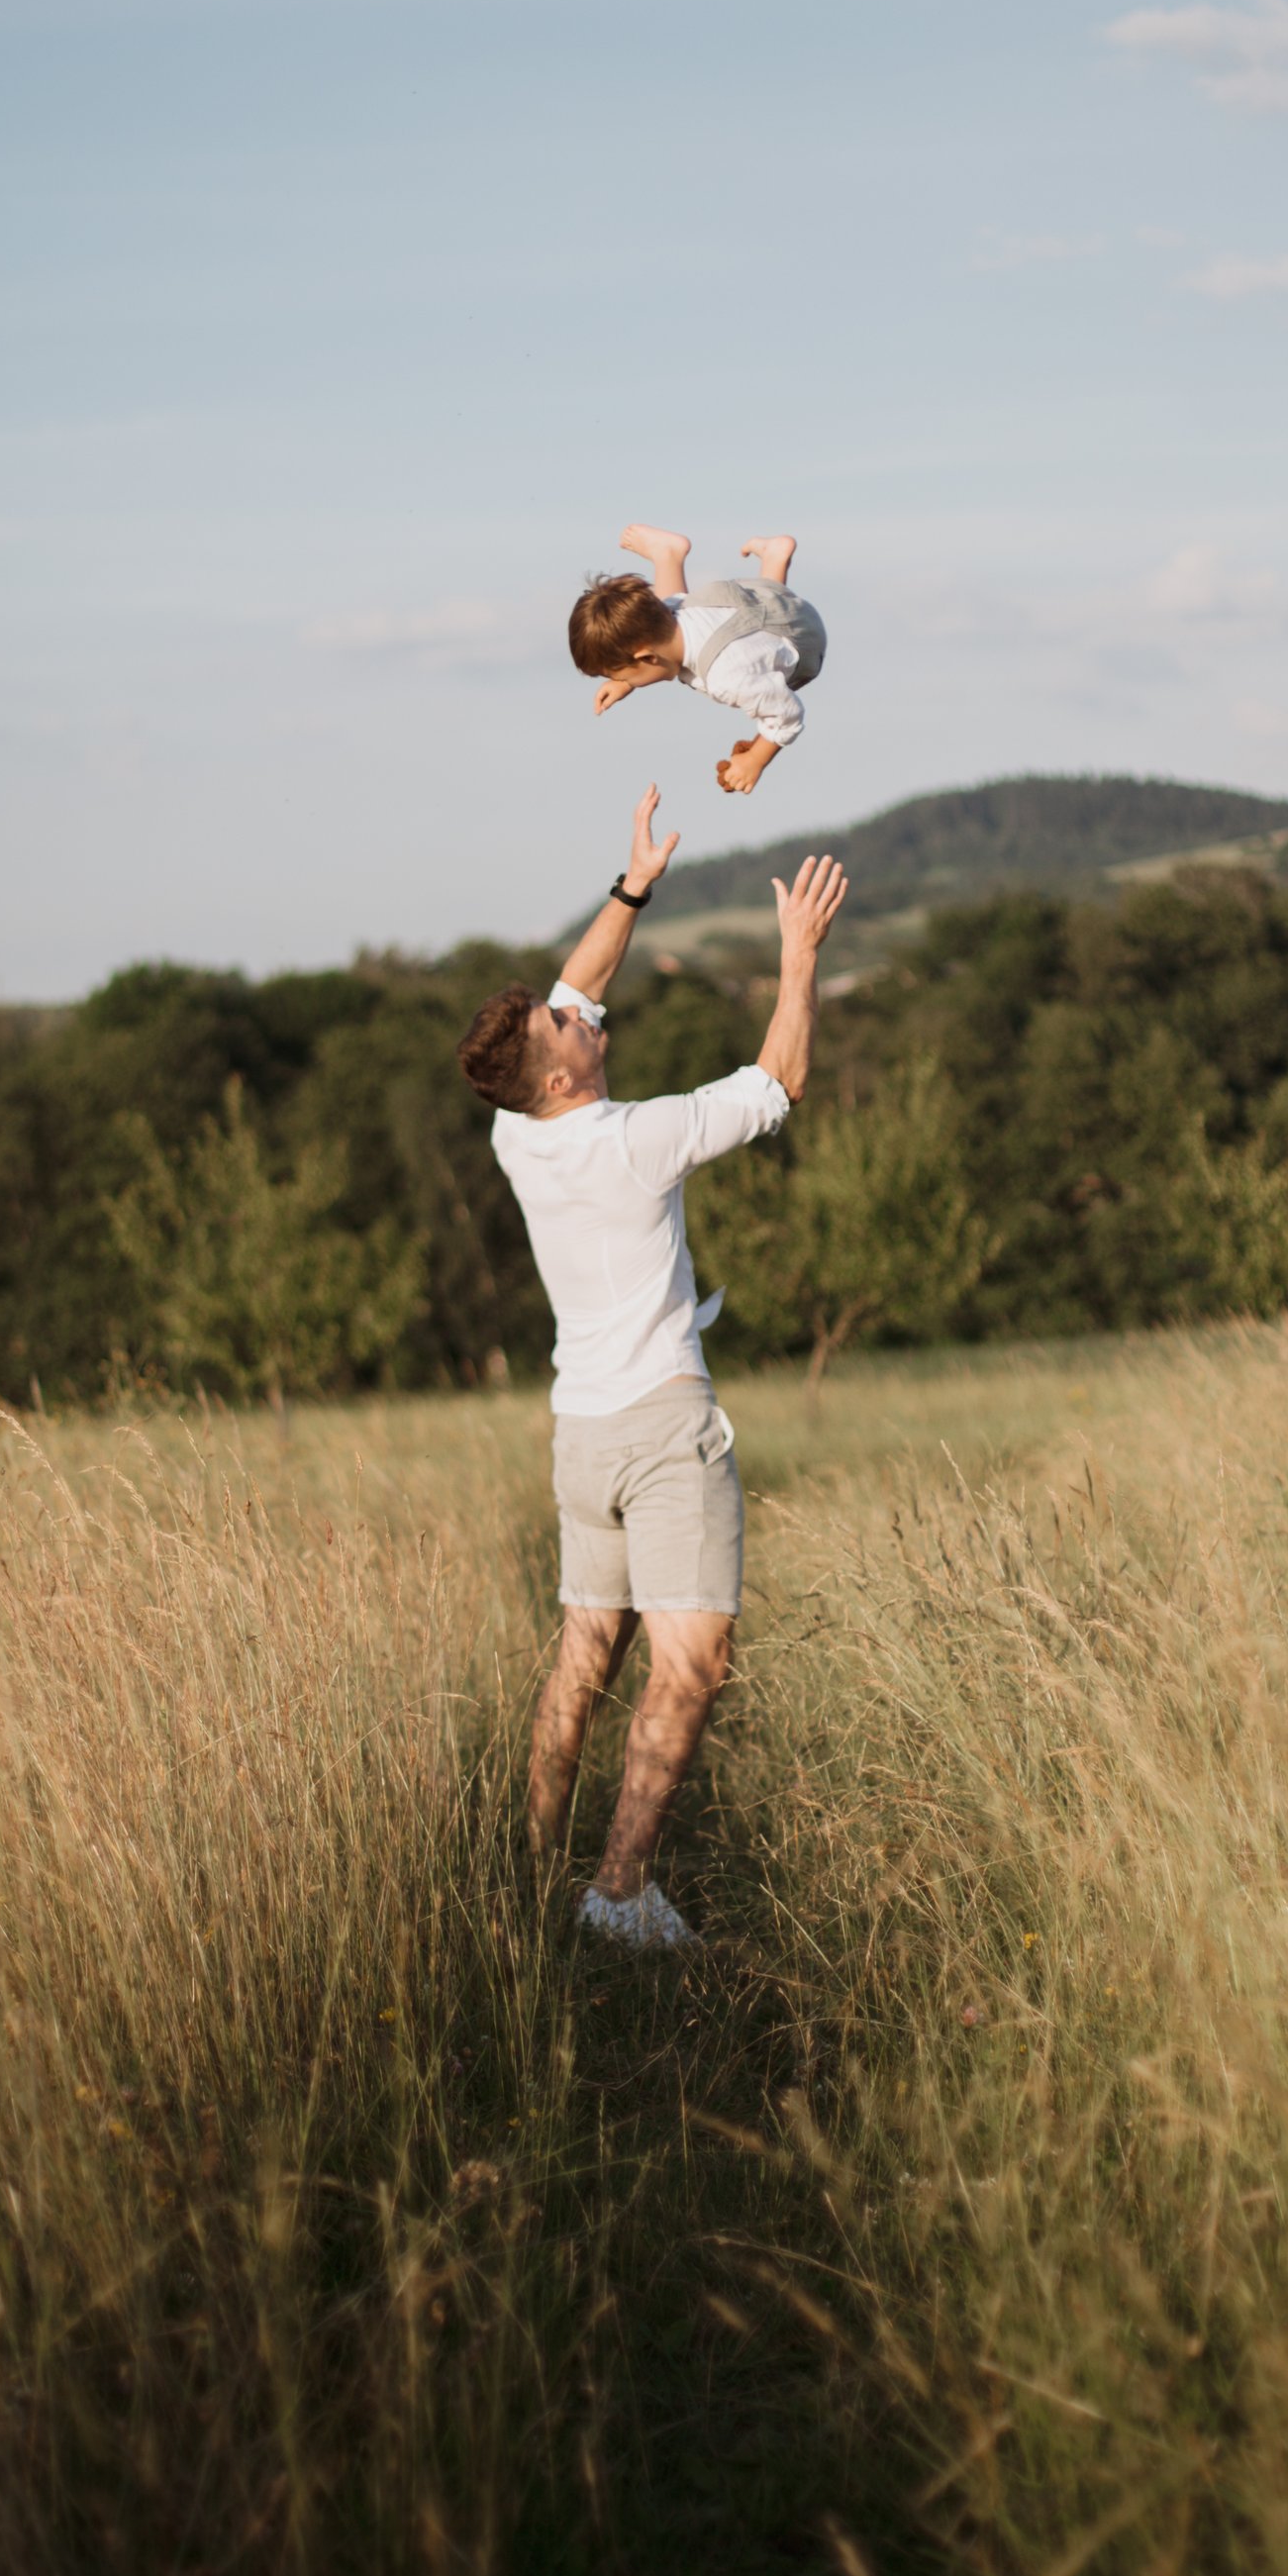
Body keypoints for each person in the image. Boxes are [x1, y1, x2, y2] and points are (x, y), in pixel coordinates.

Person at [455, 786, 849, 1949]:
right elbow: (777, 1082)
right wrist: (798, 957)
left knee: (586, 1651)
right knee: (691, 1662)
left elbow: (579, 979)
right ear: (564, 1075)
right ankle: (619, 1898)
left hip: (581, 1433)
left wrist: (632, 884)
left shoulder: (515, 1130)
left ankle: (533, 1871)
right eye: (566, 1026)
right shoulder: (631, 1142)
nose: (583, 1013)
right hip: (663, 1432)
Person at [566, 525, 827, 797]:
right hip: (761, 600)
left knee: (765, 661)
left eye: (623, 676)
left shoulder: (726, 676)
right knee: (681, 607)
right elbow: (661, 624)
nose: (622, 682)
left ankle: (765, 559)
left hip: (803, 641)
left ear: (646, 657)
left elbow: (787, 713)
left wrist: (756, 760)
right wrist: (626, 682)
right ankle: (674, 555)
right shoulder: (671, 615)